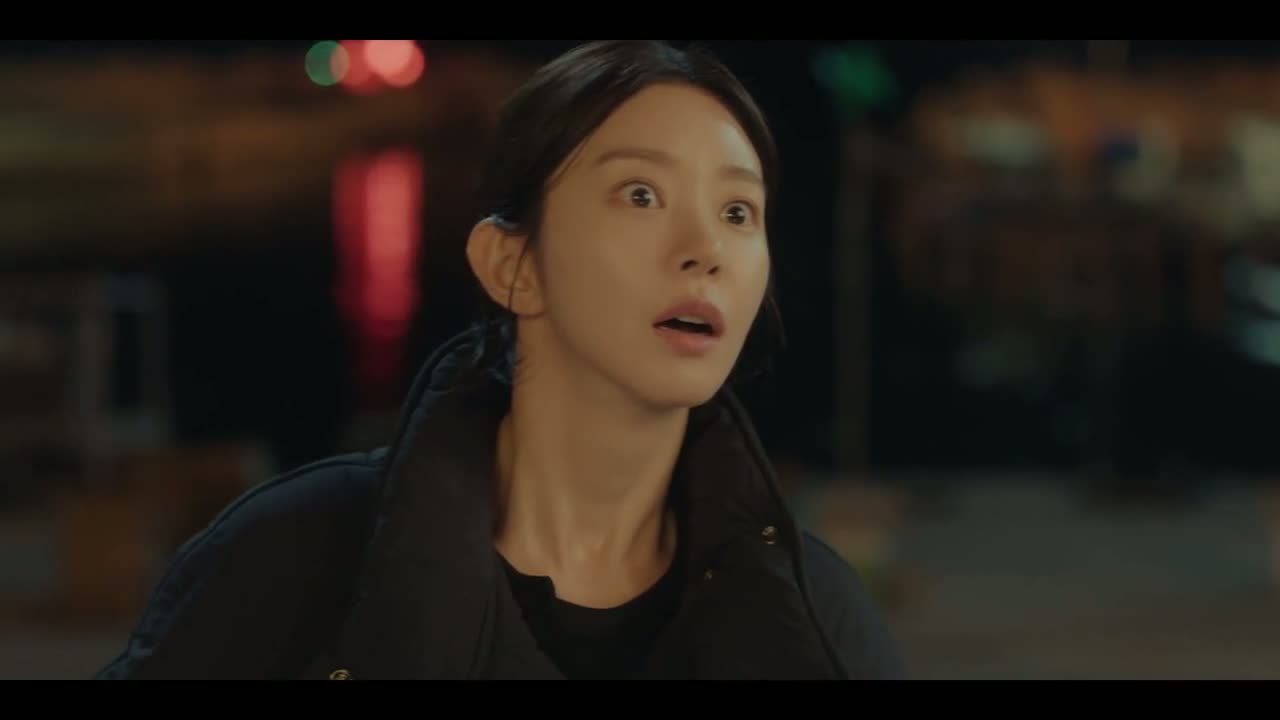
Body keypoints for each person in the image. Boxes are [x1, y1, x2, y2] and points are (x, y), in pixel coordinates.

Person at [95, 40, 905, 680]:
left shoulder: (814, 613)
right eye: (641, 195)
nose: (707, 251)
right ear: (511, 264)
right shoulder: (296, 554)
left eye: (737, 211)